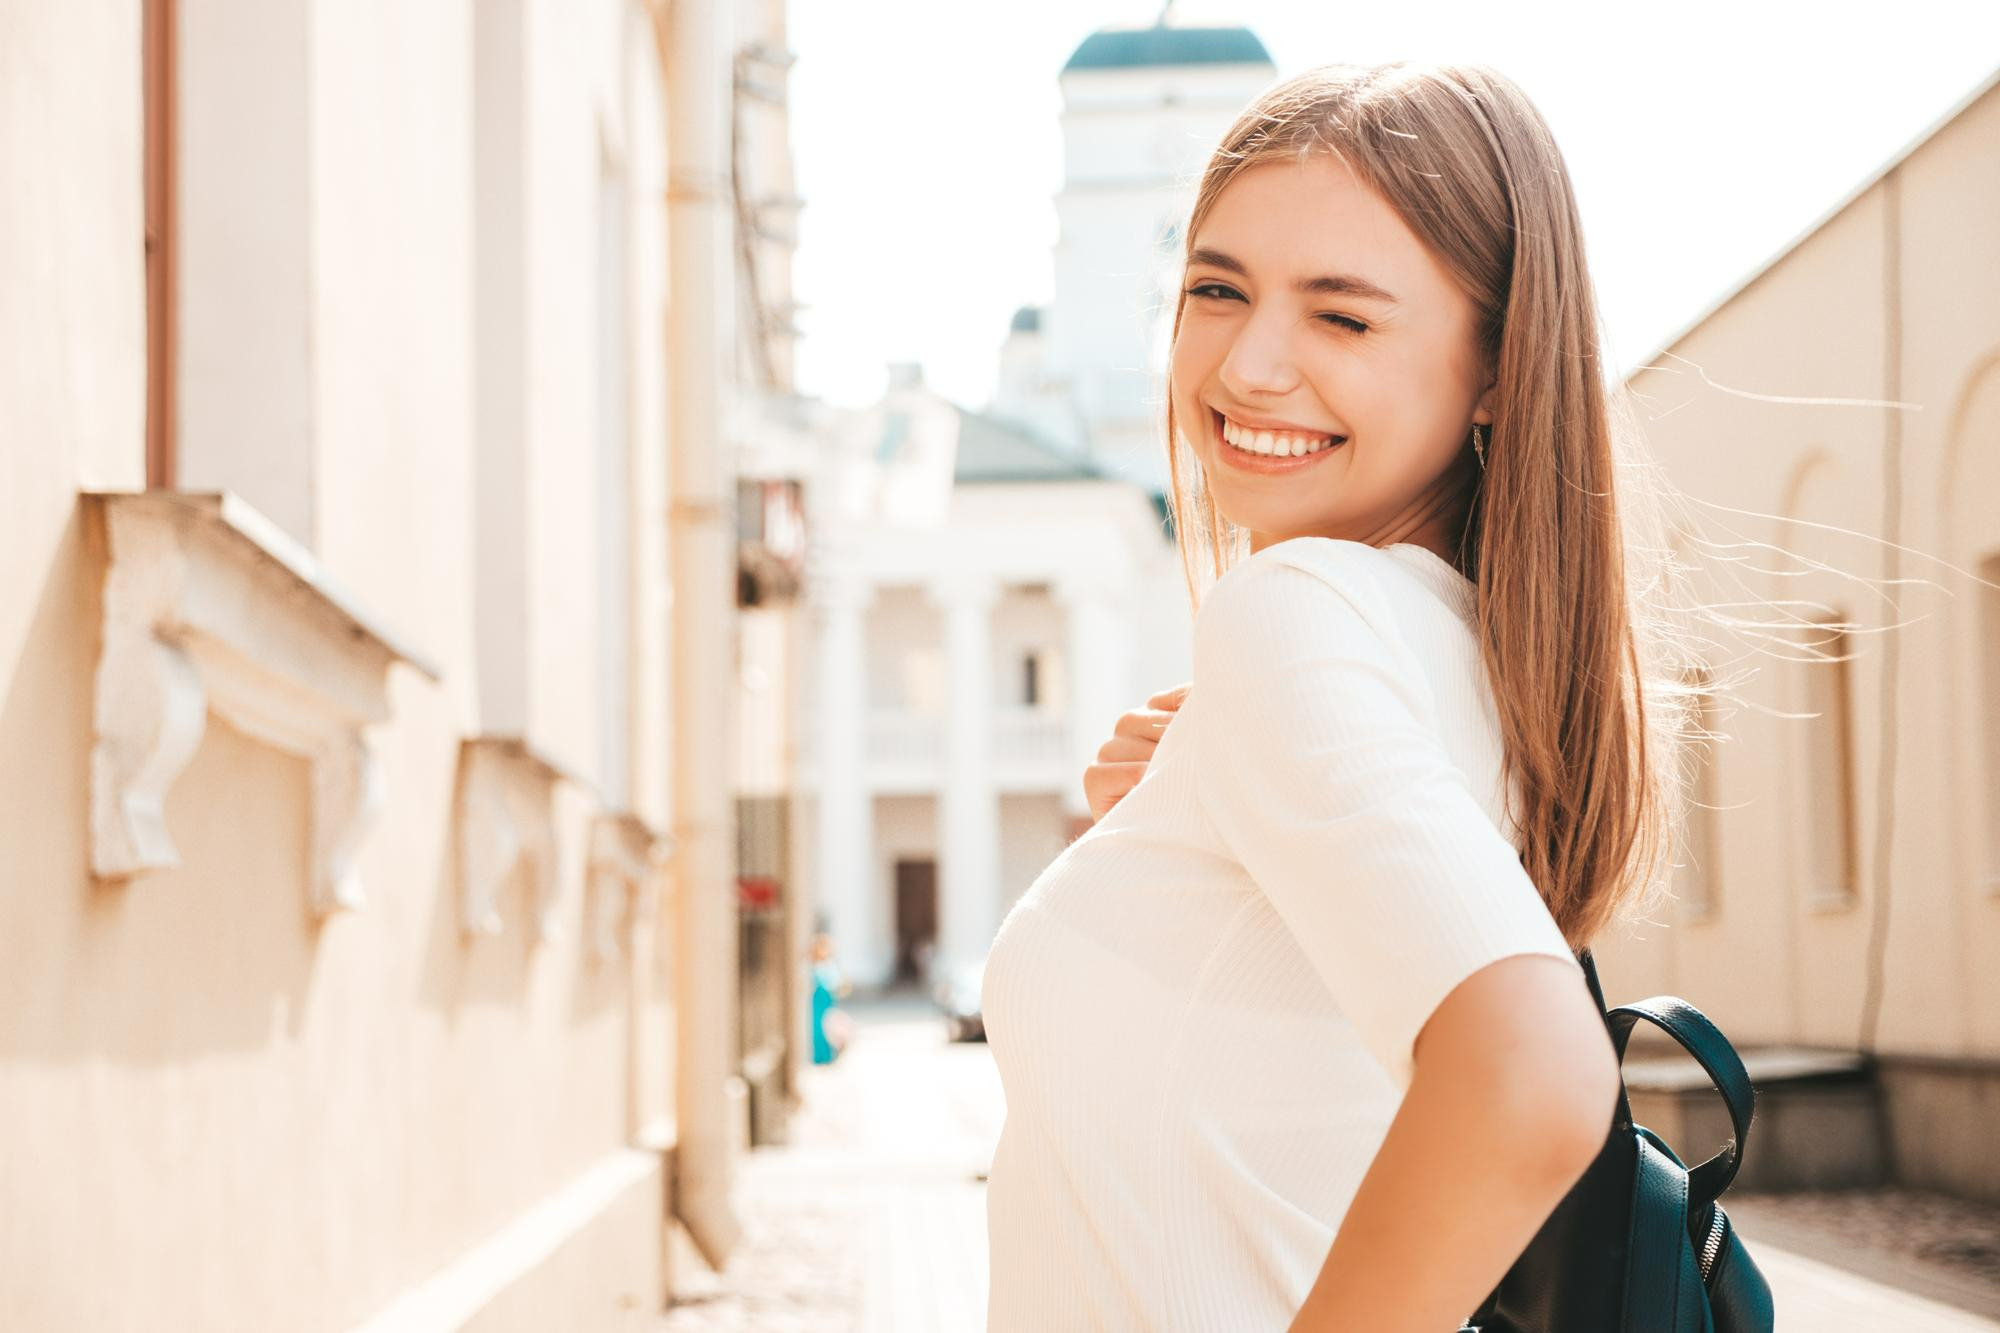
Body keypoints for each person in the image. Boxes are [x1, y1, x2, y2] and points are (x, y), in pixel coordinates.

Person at [980, 61, 1702, 1332]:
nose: (1249, 365)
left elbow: (1529, 1073)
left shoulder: (1292, 614)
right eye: (1215, 289)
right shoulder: (1470, 660)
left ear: (1498, 365)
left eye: (1342, 318)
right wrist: (1183, 810)